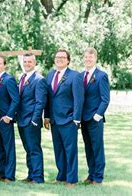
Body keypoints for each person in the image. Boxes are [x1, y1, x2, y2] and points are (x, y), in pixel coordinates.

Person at [45, 49, 84, 187]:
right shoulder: (49, 76)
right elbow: (48, 99)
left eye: (62, 57)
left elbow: (79, 99)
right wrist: (47, 117)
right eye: (57, 57)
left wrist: (76, 119)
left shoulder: (75, 76)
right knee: (58, 150)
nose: (59, 59)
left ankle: (72, 179)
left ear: (68, 60)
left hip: (69, 119)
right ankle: (61, 176)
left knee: (70, 150)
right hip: (54, 120)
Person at [16, 53, 47, 184]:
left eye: (30, 62)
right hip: (21, 119)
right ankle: (31, 175)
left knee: (34, 149)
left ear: (35, 63)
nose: (27, 64)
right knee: (28, 149)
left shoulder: (39, 80)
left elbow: (40, 102)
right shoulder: (23, 77)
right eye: (25, 61)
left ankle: (38, 177)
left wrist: (35, 119)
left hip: (31, 120)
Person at [81, 47, 110, 185]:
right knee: (88, 148)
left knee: (97, 147)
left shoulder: (101, 76)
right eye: (86, 57)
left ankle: (98, 177)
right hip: (83, 118)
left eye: (90, 57)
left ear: (95, 59)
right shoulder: (81, 76)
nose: (88, 59)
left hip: (95, 119)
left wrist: (97, 116)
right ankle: (91, 174)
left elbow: (105, 99)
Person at [0, 55, 20, 182]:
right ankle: (1, 172)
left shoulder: (9, 79)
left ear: (4, 65)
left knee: (8, 147)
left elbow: (15, 99)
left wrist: (9, 116)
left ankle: (9, 175)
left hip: (5, 117)